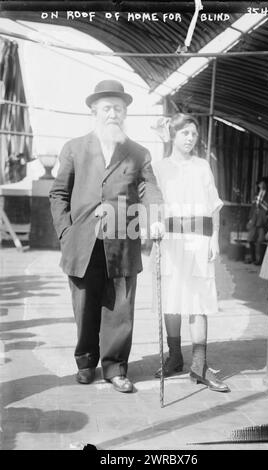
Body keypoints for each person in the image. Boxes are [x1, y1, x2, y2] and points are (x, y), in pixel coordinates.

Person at [49, 80, 164, 393]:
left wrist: (154, 218)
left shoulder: (138, 153)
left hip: (122, 244)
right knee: (84, 306)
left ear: (125, 113)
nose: (112, 113)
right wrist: (65, 232)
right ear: (94, 111)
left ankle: (115, 368)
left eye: (118, 108)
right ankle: (86, 363)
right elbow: (59, 193)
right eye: (106, 108)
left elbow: (149, 189)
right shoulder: (74, 147)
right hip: (82, 244)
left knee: (119, 310)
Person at [151, 113, 230, 392]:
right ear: (173, 135)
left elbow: (214, 206)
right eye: (185, 133)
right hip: (170, 240)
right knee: (171, 299)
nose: (190, 139)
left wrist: (215, 239)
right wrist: (154, 226)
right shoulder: (159, 167)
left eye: (194, 134)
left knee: (198, 301)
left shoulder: (202, 166)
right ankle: (175, 357)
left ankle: (199, 366)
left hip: (199, 240)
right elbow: (151, 203)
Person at [246, 177, 268, 265]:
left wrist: (267, 217)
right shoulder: (256, 194)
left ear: (266, 184)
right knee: (250, 239)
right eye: (260, 183)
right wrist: (250, 219)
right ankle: (252, 258)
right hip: (254, 220)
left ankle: (260, 261)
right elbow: (252, 207)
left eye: (263, 183)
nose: (261, 185)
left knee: (260, 241)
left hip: (262, 221)